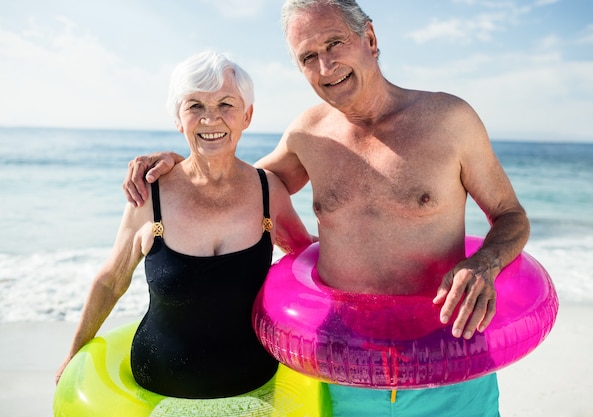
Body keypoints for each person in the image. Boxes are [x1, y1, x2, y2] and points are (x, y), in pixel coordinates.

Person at [123, 1, 530, 415]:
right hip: (344, 371)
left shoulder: (450, 120)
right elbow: (234, 185)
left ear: (369, 38)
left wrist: (485, 263)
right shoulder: (308, 136)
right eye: (308, 57)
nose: (325, 65)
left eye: (334, 42)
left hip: (451, 362)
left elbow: (510, 214)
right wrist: (179, 164)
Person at [56, 50, 313, 401]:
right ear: (178, 119)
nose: (211, 119)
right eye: (195, 106)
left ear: (247, 115)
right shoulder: (150, 193)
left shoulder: (269, 191)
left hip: (256, 383)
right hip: (158, 386)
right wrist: (72, 356)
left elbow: (306, 259)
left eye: (226, 104)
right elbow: (112, 279)